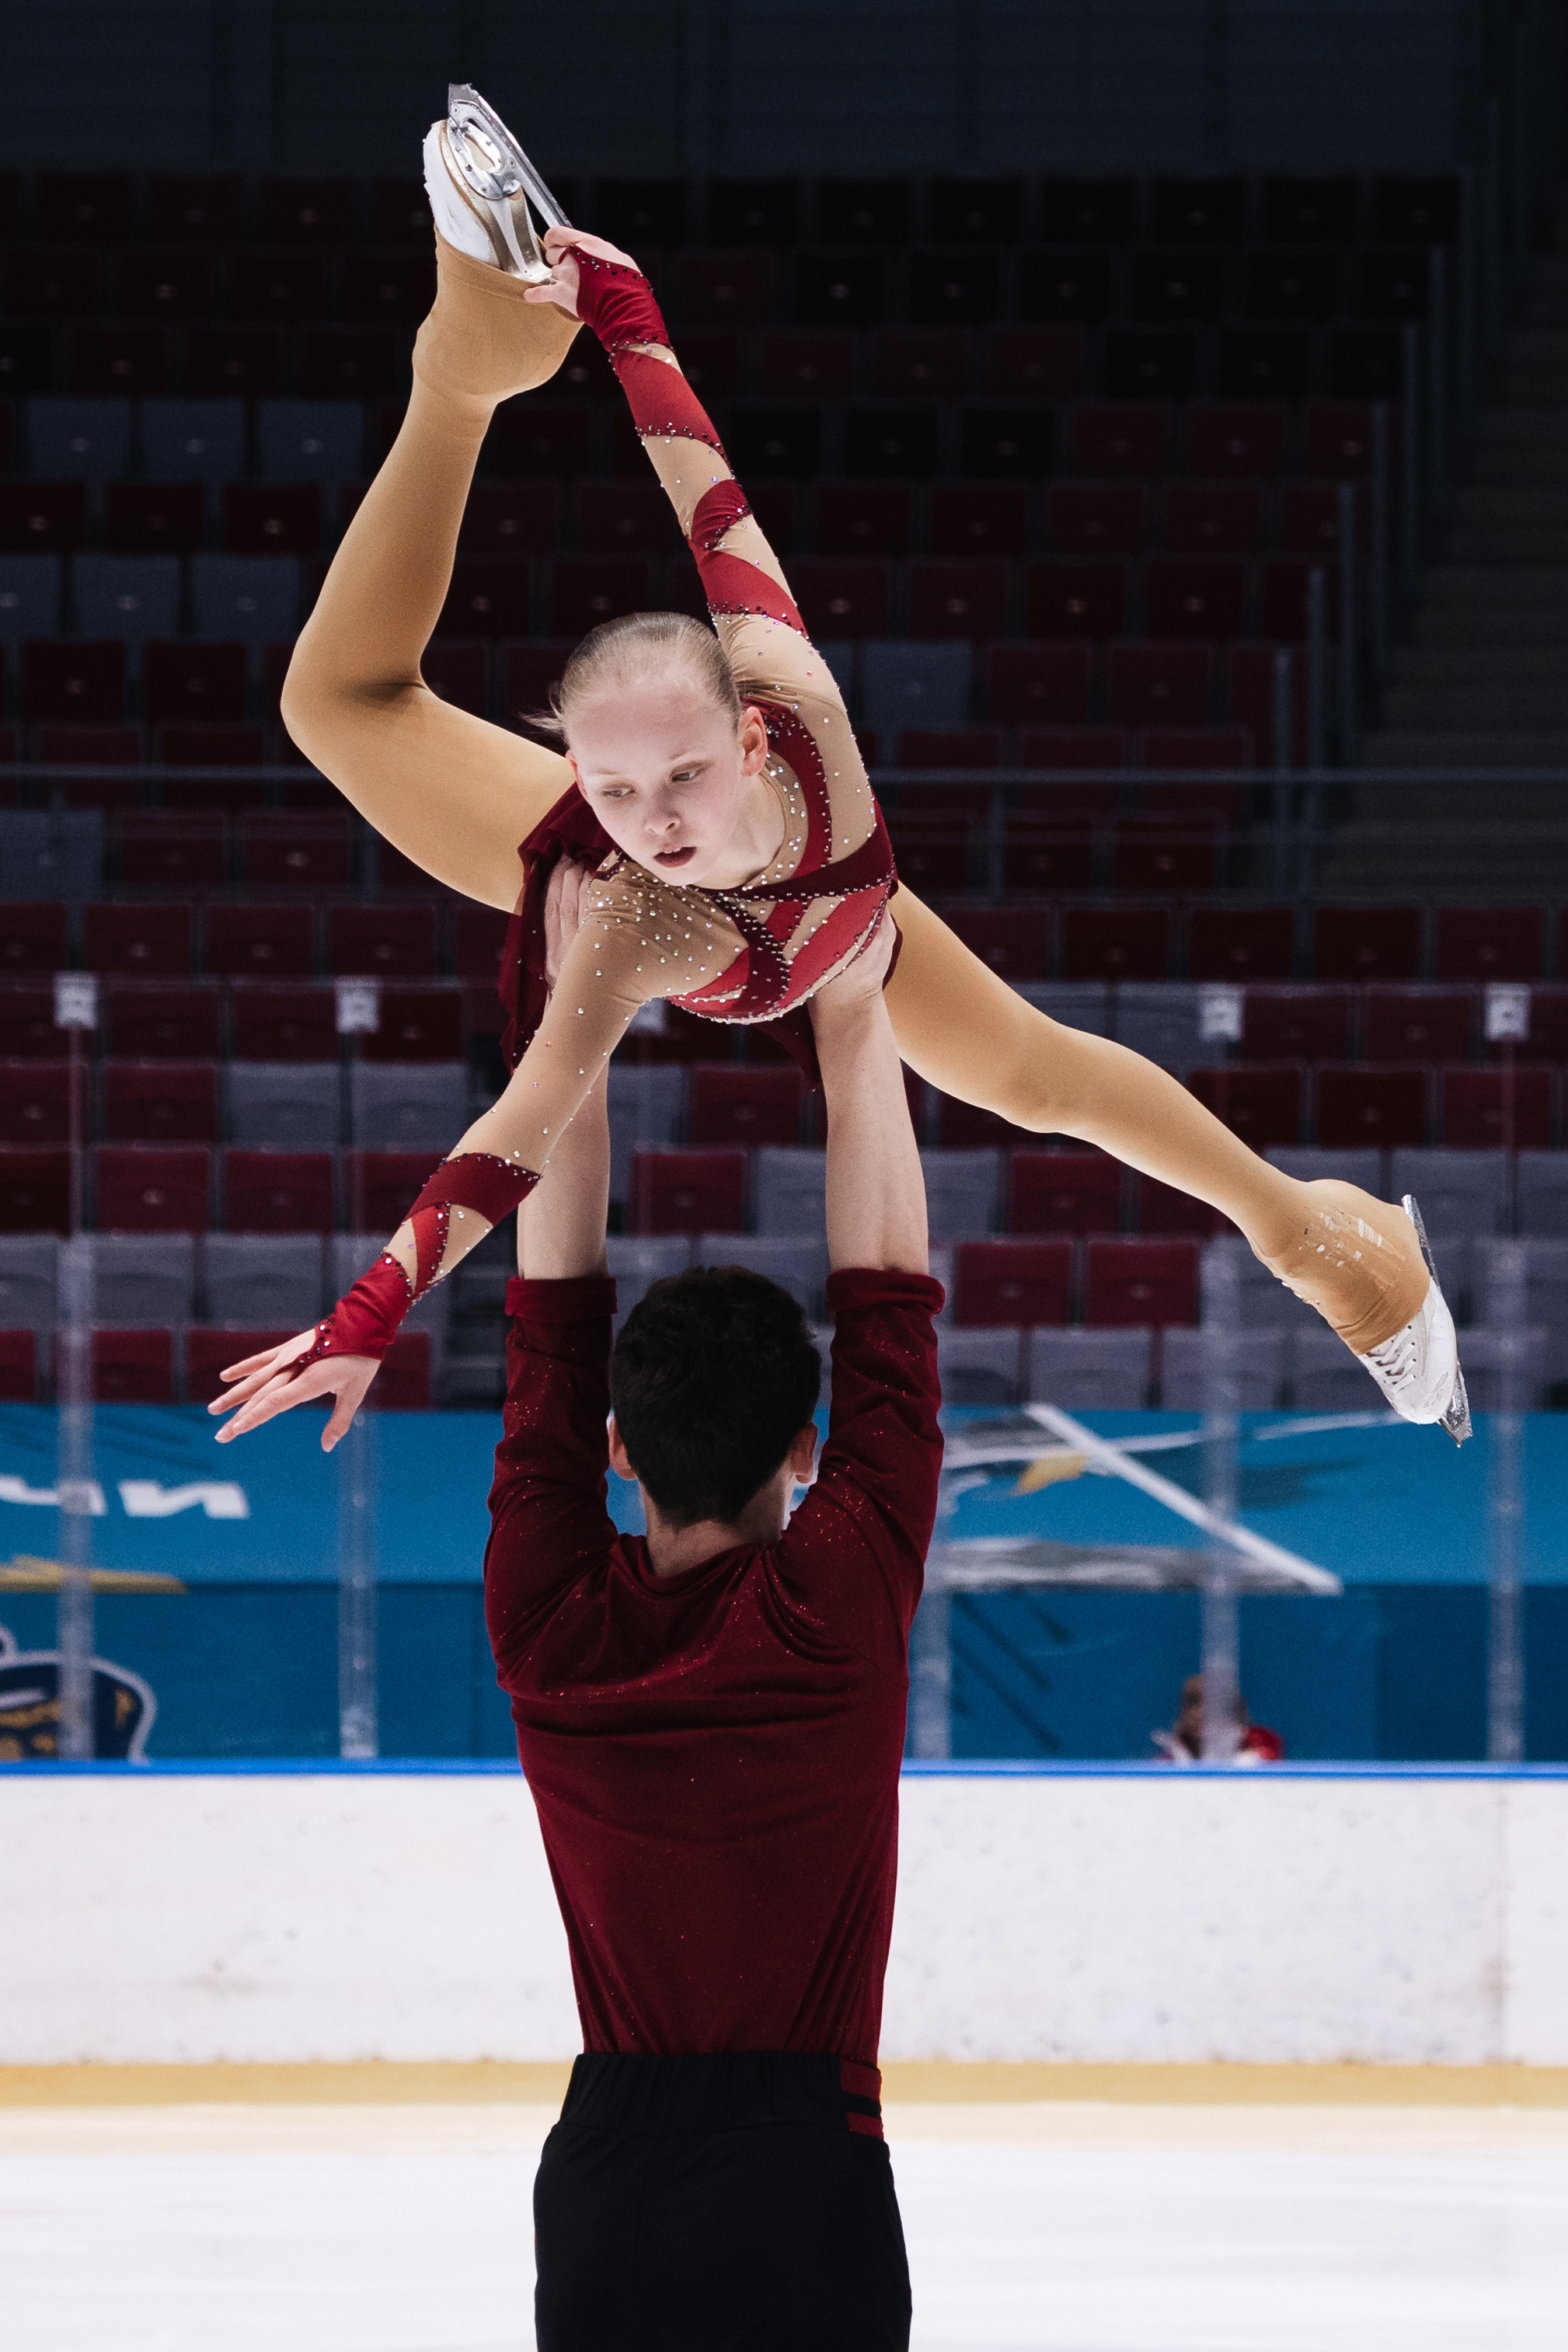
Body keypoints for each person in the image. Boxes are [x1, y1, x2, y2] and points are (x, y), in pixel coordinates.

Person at [207, 85, 1465, 1456]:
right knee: (339, 703)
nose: (652, 822)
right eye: (613, 788)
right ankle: (462, 370)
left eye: (679, 778)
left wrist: (634, 320)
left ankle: (1320, 1236)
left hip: (824, 904)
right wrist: (370, 1308)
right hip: (770, 924)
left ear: (751, 739)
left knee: (1037, 1076)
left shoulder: (792, 694)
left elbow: (711, 497)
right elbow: (524, 1124)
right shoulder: (632, 903)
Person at [487, 870, 932, 2346]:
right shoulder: (830, 1611)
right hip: (805, 2165)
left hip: (604, 2174)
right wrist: (851, 1010)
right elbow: (888, 1304)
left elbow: (551, 1313)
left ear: (617, 1447)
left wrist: (579, 1012)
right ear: (804, 1451)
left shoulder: (554, 1629)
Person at [1154, 1671, 1284, 1765]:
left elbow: (1271, 1755)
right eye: (1192, 1704)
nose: (1197, 1713)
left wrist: (1245, 1761)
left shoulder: (1258, 1740)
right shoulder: (1178, 1748)